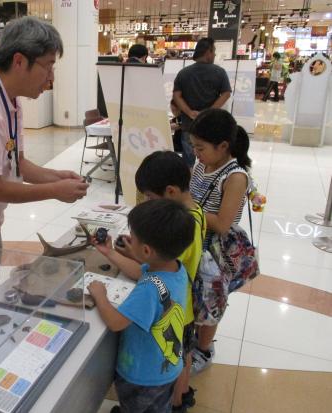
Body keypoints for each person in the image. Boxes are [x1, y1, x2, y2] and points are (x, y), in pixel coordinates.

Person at [0, 17, 88, 294]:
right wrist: (54, 190)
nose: (52, 77)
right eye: (48, 66)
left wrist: (55, 175)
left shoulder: (10, 100)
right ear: (20, 61)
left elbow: (17, 163)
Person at [94, 151, 206, 412]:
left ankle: (177, 403)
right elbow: (157, 261)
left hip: (144, 378)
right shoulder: (188, 225)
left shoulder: (150, 288)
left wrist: (99, 293)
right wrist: (125, 252)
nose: (146, 201)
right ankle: (175, 402)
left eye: (148, 197)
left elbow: (116, 321)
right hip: (179, 320)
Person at [188, 108, 251, 375]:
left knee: (210, 301)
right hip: (193, 240)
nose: (196, 154)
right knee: (193, 295)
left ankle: (204, 349)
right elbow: (192, 191)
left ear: (223, 146)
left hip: (215, 251)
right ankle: (194, 336)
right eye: (194, 147)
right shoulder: (202, 164)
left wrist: (186, 205)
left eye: (200, 148)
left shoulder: (236, 176)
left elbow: (224, 224)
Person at [173, 38, 232, 168]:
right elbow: (226, 93)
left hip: (189, 123)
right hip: (211, 124)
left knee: (188, 159)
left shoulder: (183, 73)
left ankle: (188, 184)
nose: (215, 55)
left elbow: (177, 96)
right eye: (214, 51)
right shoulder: (219, 72)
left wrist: (189, 112)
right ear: (208, 52)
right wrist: (208, 112)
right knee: (211, 157)